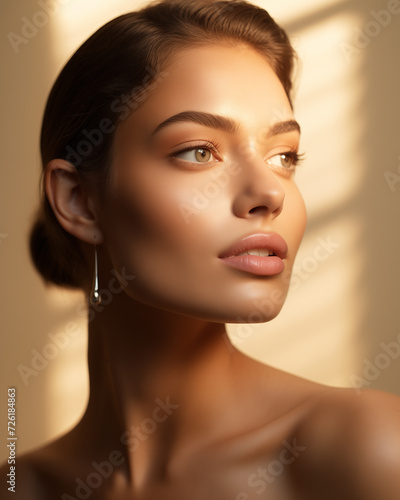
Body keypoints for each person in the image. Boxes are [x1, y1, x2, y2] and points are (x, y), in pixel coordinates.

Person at [3, 0, 400, 498]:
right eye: (199, 151)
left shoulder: (368, 449)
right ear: (78, 200)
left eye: (284, 156)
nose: (270, 193)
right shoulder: (20, 486)